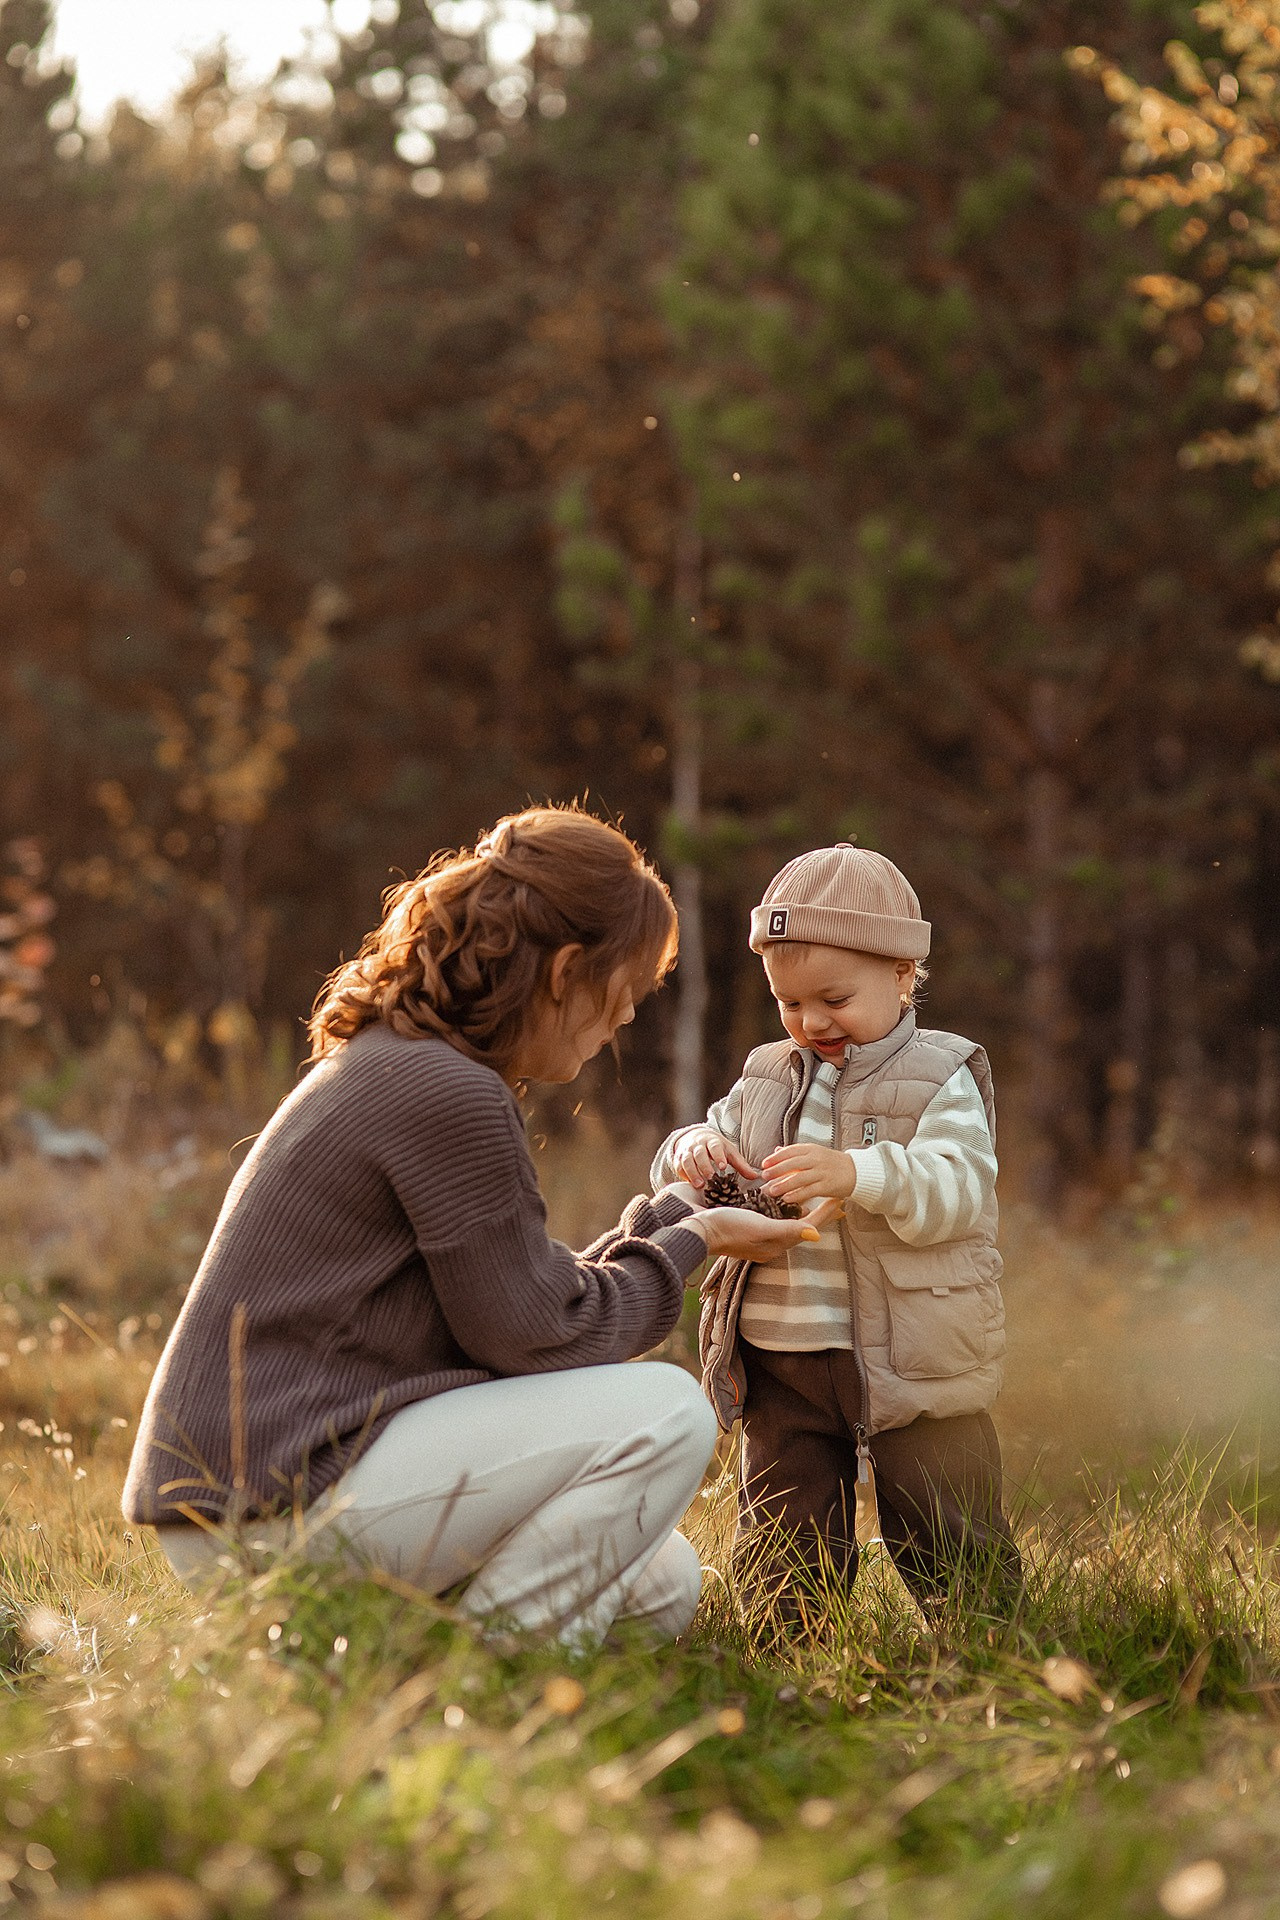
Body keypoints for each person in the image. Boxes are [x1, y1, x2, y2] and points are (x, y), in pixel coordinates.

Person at [123, 807, 811, 1645]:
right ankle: (482, 1686)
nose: (625, 1019)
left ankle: (378, 1663)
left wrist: (677, 1216)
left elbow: (518, 1311)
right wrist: (693, 1244)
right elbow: (539, 1336)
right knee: (666, 1412)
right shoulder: (447, 1091)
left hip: (266, 1493)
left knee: (660, 1586)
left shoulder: (403, 1062)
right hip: (273, 1501)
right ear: (565, 972)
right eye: (624, 993)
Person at [652, 843, 1020, 1615]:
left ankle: (990, 1651)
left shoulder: (939, 1075)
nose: (810, 1021)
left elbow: (960, 1186)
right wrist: (692, 1149)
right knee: (785, 1525)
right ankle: (786, 1658)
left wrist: (859, 1173)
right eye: (789, 1002)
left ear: (900, 974)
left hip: (914, 1351)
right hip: (784, 1355)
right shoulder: (764, 1076)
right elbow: (682, 1161)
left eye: (833, 998)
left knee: (946, 1519)